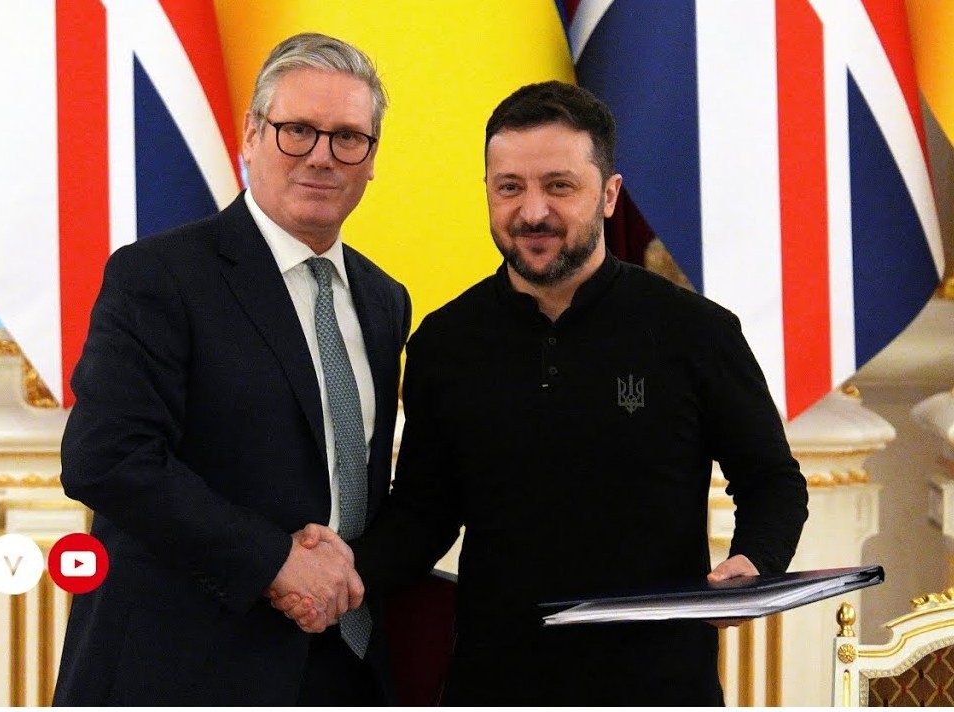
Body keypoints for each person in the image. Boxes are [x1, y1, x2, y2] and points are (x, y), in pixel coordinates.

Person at [277, 81, 809, 706]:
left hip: (661, 688)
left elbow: (772, 480)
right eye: (510, 187)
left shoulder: (697, 332)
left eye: (559, 186)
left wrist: (755, 561)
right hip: (493, 687)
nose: (532, 212)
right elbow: (424, 513)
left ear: (608, 194)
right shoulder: (445, 343)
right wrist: (336, 572)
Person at [51, 32, 411, 706]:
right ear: (251, 134)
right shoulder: (159, 275)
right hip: (184, 670)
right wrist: (275, 562)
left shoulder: (384, 300)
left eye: (347, 138)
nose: (321, 156)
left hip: (342, 668)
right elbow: (106, 458)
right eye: (297, 131)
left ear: (371, 159)